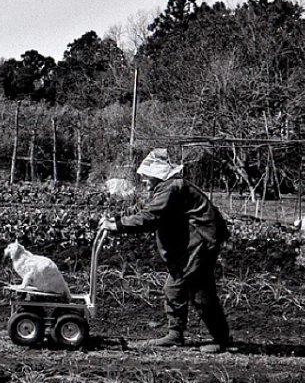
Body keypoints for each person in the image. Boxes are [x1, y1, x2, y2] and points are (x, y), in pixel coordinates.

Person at [99, 148, 232, 353]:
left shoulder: (170, 188)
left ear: (157, 174)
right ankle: (175, 335)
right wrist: (116, 220)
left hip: (201, 241)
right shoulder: (166, 188)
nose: (143, 180)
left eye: (145, 177)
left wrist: (118, 226)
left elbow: (151, 217)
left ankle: (220, 339)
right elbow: (145, 209)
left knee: (198, 292)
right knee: (176, 287)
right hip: (194, 243)